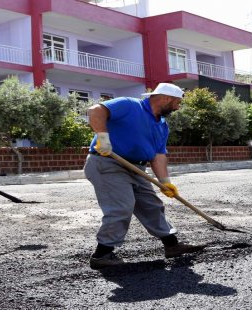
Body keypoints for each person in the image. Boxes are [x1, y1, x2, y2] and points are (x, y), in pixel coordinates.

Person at [84, 82, 205, 269]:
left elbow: (158, 155)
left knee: (152, 205)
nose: (178, 107)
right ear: (165, 99)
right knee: (121, 206)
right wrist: (102, 138)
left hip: (136, 168)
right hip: (107, 163)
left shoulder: (162, 126)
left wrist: (165, 183)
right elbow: (95, 110)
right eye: (177, 102)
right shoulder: (129, 105)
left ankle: (172, 246)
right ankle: (102, 255)